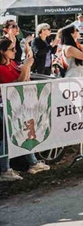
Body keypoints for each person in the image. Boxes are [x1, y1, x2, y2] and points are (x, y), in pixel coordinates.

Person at [0, 36, 51, 179]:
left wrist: (27, 66)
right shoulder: (1, 68)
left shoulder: (12, 63)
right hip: (6, 107)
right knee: (6, 138)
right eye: (11, 49)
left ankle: (32, 163)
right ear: (2, 52)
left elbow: (25, 79)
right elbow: (15, 84)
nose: (14, 51)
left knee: (24, 133)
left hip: (18, 107)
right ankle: (5, 170)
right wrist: (27, 66)